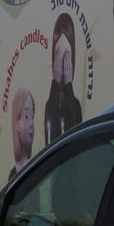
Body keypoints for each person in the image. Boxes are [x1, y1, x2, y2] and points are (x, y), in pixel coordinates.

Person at [44, 13, 82, 144]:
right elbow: (51, 138)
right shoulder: (50, 104)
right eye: (58, 57)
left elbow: (75, 135)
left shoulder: (75, 104)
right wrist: (55, 81)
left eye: (66, 57)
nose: (62, 67)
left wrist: (68, 84)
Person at [9, 88, 35, 180]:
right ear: (17, 125)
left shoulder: (34, 167)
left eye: (32, 117)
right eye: (27, 116)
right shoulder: (14, 175)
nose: (31, 123)